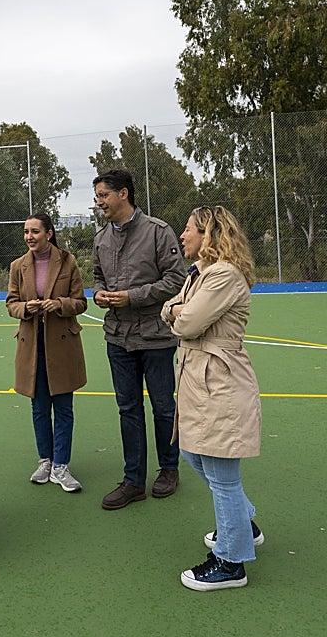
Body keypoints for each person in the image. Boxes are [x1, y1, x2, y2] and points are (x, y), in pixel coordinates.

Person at [162, 205, 263, 591]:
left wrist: (175, 312)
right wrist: (176, 310)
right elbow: (173, 311)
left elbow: (185, 321)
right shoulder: (199, 275)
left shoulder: (221, 275)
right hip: (198, 378)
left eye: (188, 230)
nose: (182, 236)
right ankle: (243, 522)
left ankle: (230, 561)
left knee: (222, 473)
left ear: (209, 235)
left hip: (218, 382)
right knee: (193, 452)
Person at [91, 169, 186, 509]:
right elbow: (97, 277)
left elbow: (177, 280)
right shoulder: (101, 238)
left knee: (163, 408)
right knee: (128, 409)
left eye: (103, 195)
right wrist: (101, 294)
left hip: (156, 337)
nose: (99, 202)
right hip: (118, 338)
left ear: (123, 194)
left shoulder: (159, 232)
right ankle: (133, 481)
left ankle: (169, 470)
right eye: (98, 196)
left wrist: (133, 296)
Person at [5, 213, 88, 492]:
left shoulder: (68, 261)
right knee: (39, 407)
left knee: (63, 407)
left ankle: (61, 466)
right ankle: (45, 461)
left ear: (49, 234)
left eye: (35, 231)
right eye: (26, 231)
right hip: (32, 344)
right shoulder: (18, 266)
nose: (29, 236)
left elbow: (80, 302)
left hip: (62, 344)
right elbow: (11, 304)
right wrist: (25, 308)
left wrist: (60, 304)